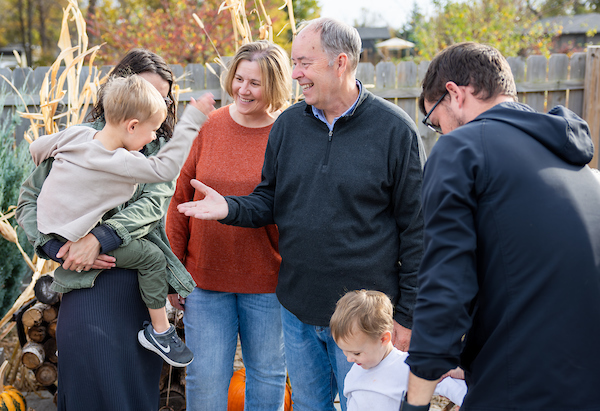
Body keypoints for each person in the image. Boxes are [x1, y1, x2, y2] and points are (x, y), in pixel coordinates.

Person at [177, 18, 426, 411]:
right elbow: (269, 200)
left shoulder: (395, 131)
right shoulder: (290, 126)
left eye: (304, 63)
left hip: (364, 320)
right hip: (297, 311)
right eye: (294, 63)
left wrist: (408, 317)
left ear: (339, 63)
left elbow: (417, 232)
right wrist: (230, 207)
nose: (295, 74)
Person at [403, 42, 600, 410]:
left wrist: (414, 402)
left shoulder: (461, 150)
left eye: (433, 121)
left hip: (520, 387)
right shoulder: (572, 159)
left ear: (454, 94)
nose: (439, 133)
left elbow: (445, 287)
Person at [16, 49, 190, 410]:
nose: (157, 101)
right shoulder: (76, 142)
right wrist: (57, 248)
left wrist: (98, 238)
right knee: (87, 388)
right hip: (83, 283)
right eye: (148, 91)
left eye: (164, 96)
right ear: (121, 90)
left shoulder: (157, 153)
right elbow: (28, 203)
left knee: (132, 392)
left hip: (138, 287)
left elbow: (151, 206)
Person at [29, 74, 215, 367]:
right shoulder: (120, 161)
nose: (154, 137)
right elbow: (165, 169)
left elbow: (38, 147)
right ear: (131, 126)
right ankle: (159, 332)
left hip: (52, 233)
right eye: (152, 130)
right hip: (77, 238)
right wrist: (192, 120)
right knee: (153, 257)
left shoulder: (76, 135)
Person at [165, 40, 290, 411]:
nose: (244, 90)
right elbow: (178, 200)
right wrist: (175, 272)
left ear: (275, 85)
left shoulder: (287, 132)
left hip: (268, 282)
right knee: (205, 377)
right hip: (205, 281)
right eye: (239, 79)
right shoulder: (210, 127)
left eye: (256, 83)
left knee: (267, 374)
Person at [330, 290, 466, 411]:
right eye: (345, 351)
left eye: (356, 353)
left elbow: (450, 385)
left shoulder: (409, 366)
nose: (349, 359)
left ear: (384, 338)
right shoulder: (355, 372)